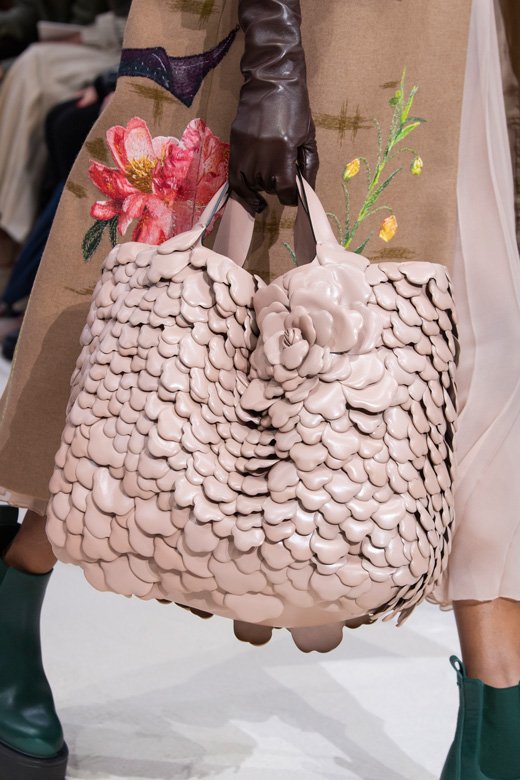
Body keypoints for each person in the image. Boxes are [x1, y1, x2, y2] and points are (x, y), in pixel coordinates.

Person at [0, 1, 518, 779]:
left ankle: (498, 716)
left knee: (471, 358)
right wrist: (273, 60)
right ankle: (15, 595)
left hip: (459, 36)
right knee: (157, 347)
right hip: (322, 22)